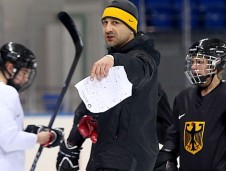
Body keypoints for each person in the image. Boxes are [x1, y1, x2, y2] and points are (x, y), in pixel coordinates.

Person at [57, 0, 161, 171]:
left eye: (115, 23)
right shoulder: (110, 64)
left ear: (131, 27)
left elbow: (137, 69)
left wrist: (115, 60)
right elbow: (88, 107)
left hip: (128, 161)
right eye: (105, 23)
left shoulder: (145, 59)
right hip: (104, 157)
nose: (108, 29)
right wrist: (72, 145)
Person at [154, 38, 226, 171]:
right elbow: (174, 137)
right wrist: (165, 156)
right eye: (193, 62)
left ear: (216, 64)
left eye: (199, 62)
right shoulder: (183, 98)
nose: (194, 67)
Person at [0, 42, 64, 171]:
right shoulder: (6, 92)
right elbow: (8, 140)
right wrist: (38, 138)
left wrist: (28, 132)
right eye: (24, 72)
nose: (26, 79)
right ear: (9, 67)